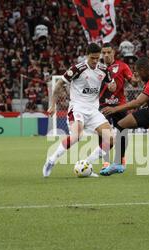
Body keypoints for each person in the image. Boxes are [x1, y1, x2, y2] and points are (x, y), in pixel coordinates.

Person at [43, 43, 116, 177]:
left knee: (110, 139)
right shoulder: (78, 69)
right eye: (92, 58)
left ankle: (86, 164)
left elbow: (112, 84)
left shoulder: (103, 70)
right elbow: (59, 84)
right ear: (87, 56)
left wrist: (112, 86)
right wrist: (53, 104)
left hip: (93, 111)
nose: (95, 61)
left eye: (97, 58)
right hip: (77, 108)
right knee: (77, 135)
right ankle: (51, 160)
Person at [102, 57, 149, 179]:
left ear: (143, 70)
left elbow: (137, 103)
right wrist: (138, 79)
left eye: (138, 72)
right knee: (121, 124)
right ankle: (118, 164)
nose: (136, 75)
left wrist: (114, 109)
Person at [87, 42, 139, 175]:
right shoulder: (96, 67)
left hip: (120, 105)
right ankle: (105, 162)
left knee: (123, 131)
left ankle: (120, 161)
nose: (106, 55)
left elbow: (132, 82)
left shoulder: (122, 66)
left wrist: (135, 80)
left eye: (108, 52)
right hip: (103, 105)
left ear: (113, 52)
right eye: (103, 53)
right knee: (103, 133)